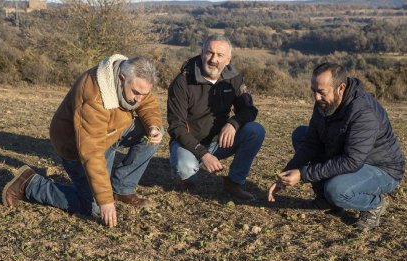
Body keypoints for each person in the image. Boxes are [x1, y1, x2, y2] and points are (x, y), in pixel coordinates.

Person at [2, 55, 163, 228]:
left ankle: (121, 188)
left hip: (112, 132)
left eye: (143, 93)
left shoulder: (134, 80)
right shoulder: (93, 98)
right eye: (136, 93)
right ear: (121, 79)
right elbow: (91, 152)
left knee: (152, 135)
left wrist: (153, 126)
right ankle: (29, 184)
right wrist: (105, 200)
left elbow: (147, 102)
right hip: (77, 146)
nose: (138, 99)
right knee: (93, 207)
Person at [268, 62, 405, 229]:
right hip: (347, 154)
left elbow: (352, 161)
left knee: (336, 189)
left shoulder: (363, 112)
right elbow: (311, 142)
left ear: (340, 88)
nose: (316, 98)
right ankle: (326, 201)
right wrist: (286, 174)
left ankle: (374, 204)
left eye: (321, 92)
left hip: (381, 168)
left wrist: (303, 174)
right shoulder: (325, 102)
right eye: (314, 92)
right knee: (301, 135)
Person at [167, 34, 265, 200]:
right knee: (186, 169)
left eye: (220, 55)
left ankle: (234, 183)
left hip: (219, 141)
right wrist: (204, 154)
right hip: (190, 142)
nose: (213, 59)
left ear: (228, 59)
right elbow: (176, 126)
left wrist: (233, 123)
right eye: (209, 53)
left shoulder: (234, 78)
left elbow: (249, 110)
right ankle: (185, 177)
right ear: (202, 52)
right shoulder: (182, 81)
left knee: (255, 131)